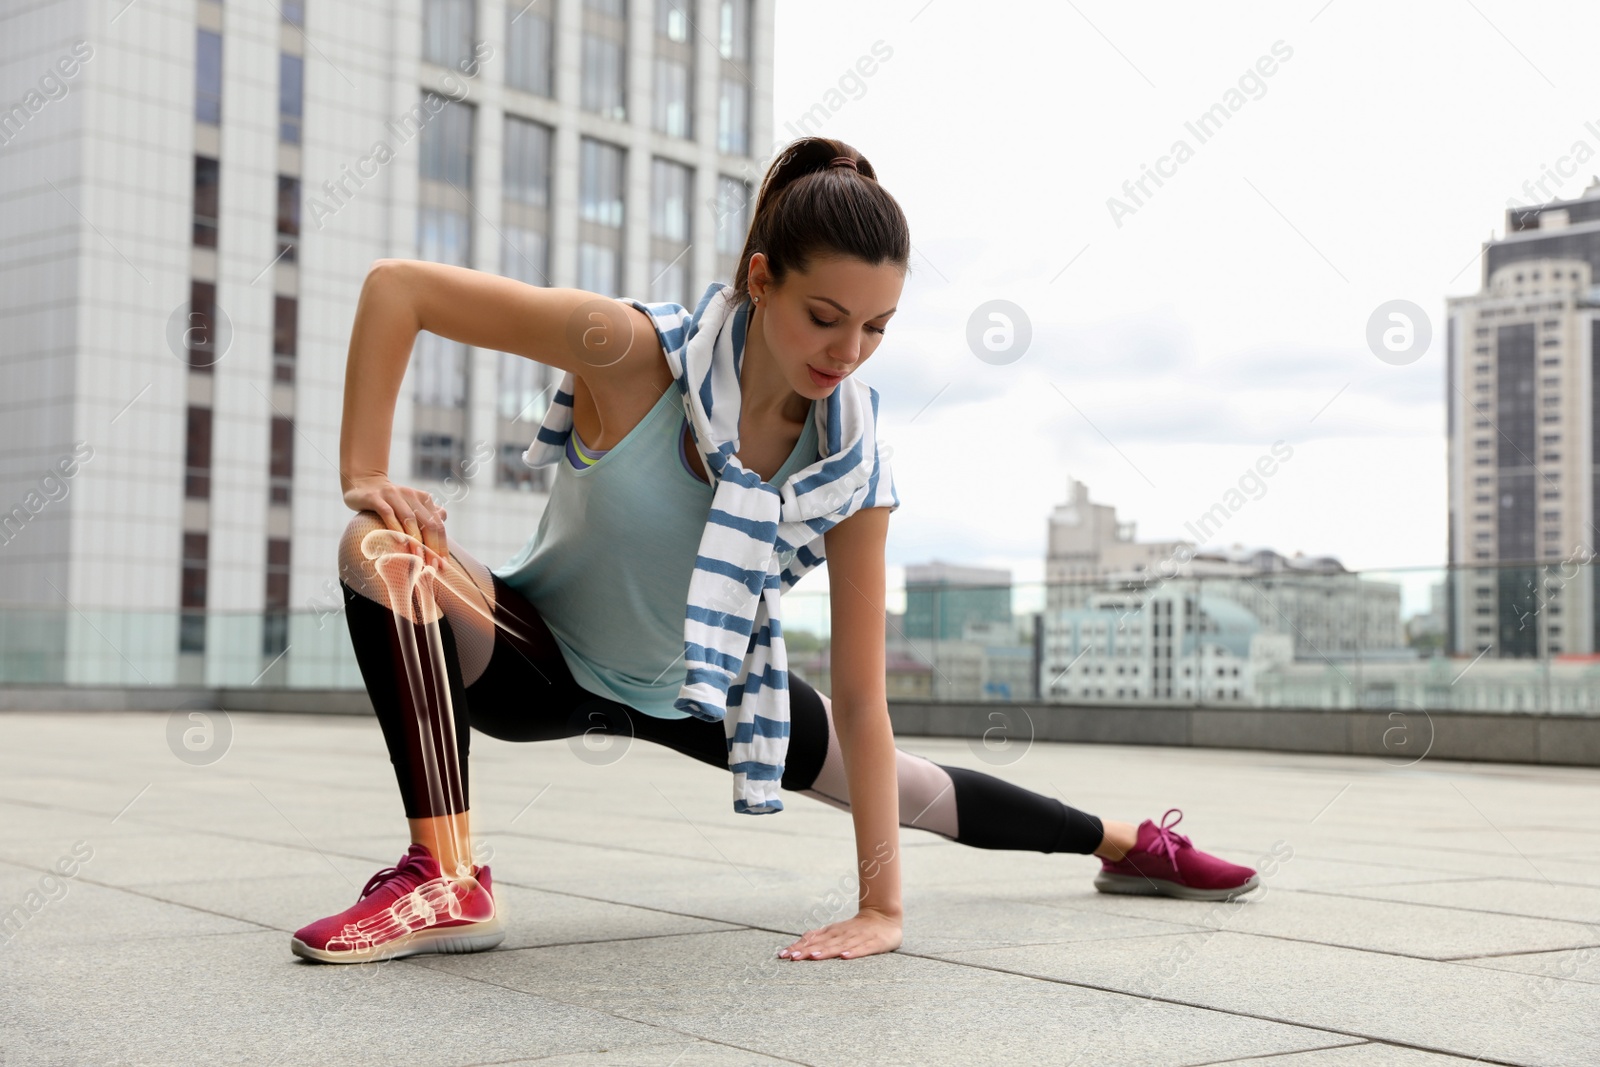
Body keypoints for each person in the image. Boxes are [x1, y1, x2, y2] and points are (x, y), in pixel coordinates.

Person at [290, 136, 1260, 967]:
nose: (847, 352)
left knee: (919, 788)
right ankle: (447, 874)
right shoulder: (631, 354)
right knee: (381, 546)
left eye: (876, 327)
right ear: (762, 280)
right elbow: (399, 289)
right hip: (533, 658)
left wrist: (881, 907)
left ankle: (1131, 845)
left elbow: (866, 701)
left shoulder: (847, 463)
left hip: (708, 686)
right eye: (825, 317)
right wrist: (362, 469)